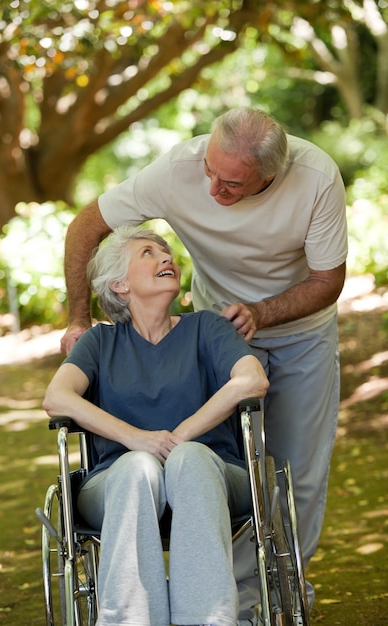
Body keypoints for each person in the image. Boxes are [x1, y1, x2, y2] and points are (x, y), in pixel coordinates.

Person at [60, 107, 348, 613]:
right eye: (210, 173)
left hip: (298, 329)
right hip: (221, 319)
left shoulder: (317, 178)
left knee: (292, 470)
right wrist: (79, 318)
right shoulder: (177, 170)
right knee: (167, 466)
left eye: (232, 184)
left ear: (271, 176)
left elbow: (327, 281)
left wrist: (262, 312)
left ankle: (256, 598)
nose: (214, 191)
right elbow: (88, 224)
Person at [44, 225, 269, 626]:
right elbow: (57, 398)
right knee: (136, 467)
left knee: (190, 460)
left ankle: (207, 620)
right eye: (148, 253)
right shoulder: (99, 342)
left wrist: (179, 439)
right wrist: (137, 440)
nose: (166, 257)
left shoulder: (207, 328)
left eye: (166, 251)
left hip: (213, 473)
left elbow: (252, 379)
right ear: (120, 284)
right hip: (117, 483)